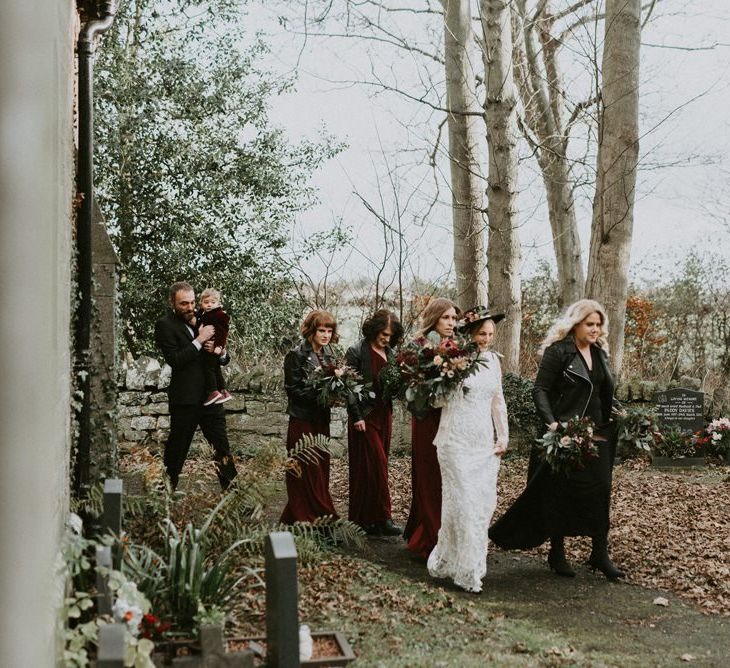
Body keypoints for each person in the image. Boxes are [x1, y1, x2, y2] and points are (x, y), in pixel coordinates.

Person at [489, 299, 625, 580]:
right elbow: (540, 390)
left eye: (599, 325)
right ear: (575, 324)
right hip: (563, 436)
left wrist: (622, 413)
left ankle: (599, 553)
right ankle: (557, 551)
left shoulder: (600, 353)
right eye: (590, 324)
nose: (595, 329)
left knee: (600, 491)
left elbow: (601, 393)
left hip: (596, 434)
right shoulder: (559, 352)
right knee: (560, 492)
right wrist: (553, 424)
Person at [427, 306, 508, 593]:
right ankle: (469, 571)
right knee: (463, 504)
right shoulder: (452, 358)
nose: (486, 339)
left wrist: (503, 436)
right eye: (482, 333)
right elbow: (436, 402)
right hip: (454, 442)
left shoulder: (494, 361)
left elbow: (498, 401)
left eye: (490, 334)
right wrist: (448, 377)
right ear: (470, 334)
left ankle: (454, 560)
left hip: (483, 443)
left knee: (481, 506)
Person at [155, 281, 237, 491]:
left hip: (212, 397)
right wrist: (200, 340)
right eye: (184, 304)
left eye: (192, 302)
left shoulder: (205, 317)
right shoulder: (165, 325)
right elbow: (176, 359)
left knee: (222, 449)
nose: (190, 307)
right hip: (185, 399)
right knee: (177, 450)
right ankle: (163, 495)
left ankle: (236, 498)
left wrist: (221, 352)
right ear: (171, 302)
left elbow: (222, 356)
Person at [403, 297, 460, 559]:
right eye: (446, 317)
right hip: (427, 419)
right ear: (434, 318)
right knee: (429, 474)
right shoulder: (417, 347)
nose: (451, 323)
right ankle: (430, 533)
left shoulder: (458, 347)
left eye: (453, 318)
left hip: (451, 420)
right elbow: (410, 389)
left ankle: (445, 532)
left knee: (448, 476)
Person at [345, 309, 404, 536]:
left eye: (390, 335)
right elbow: (348, 386)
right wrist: (357, 416)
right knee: (369, 466)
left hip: (384, 415)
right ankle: (376, 518)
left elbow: (394, 387)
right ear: (374, 329)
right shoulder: (357, 351)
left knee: (379, 466)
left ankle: (374, 521)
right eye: (383, 333)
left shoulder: (392, 354)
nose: (386, 338)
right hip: (365, 417)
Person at [281, 309, 340, 523]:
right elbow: (292, 389)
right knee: (306, 468)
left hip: (321, 420)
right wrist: (319, 393)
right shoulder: (296, 354)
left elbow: (333, 385)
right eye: (321, 330)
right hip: (302, 419)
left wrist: (336, 394)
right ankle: (314, 516)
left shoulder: (329, 354)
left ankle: (308, 516)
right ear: (311, 331)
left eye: (329, 330)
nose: (325, 335)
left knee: (320, 468)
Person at [197, 287, 232, 406]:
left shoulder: (219, 315)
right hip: (207, 349)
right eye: (206, 303)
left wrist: (219, 347)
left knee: (209, 368)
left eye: (213, 302)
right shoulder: (203, 314)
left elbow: (223, 332)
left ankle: (213, 391)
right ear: (201, 303)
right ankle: (223, 391)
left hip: (213, 348)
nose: (209, 305)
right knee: (215, 368)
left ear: (218, 303)